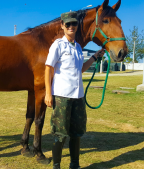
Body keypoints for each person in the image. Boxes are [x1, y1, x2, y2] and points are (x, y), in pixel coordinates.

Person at [44, 11, 105, 169]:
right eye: (68, 24)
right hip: (62, 96)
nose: (71, 26)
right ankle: (56, 166)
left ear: (77, 26)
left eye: (74, 24)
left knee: (76, 133)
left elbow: (80, 69)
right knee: (60, 133)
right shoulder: (58, 45)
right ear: (63, 26)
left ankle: (74, 165)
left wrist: (94, 57)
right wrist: (48, 93)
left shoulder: (78, 47)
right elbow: (48, 68)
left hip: (78, 96)